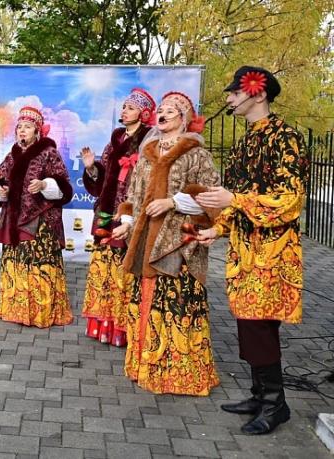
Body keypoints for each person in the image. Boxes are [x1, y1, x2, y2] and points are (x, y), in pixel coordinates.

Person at [195, 66, 309, 434]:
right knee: (248, 321)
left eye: (234, 92)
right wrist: (218, 227)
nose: (228, 97)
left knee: (260, 324)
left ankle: (276, 404)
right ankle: (261, 394)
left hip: (273, 252)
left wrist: (235, 199)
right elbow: (235, 199)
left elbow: (290, 200)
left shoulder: (285, 137)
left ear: (257, 93)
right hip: (245, 250)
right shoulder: (245, 141)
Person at [113, 91, 220, 396]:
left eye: (170, 111)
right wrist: (127, 223)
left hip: (178, 241)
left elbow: (209, 196)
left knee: (176, 303)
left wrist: (172, 202)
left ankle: (177, 373)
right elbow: (134, 194)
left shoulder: (196, 153)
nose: (162, 115)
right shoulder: (148, 153)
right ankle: (145, 364)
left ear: (184, 119)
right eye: (160, 110)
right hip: (147, 238)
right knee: (147, 299)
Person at [80, 88, 155, 346]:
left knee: (124, 270)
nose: (124, 111)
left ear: (144, 114)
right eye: (123, 107)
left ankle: (124, 327)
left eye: (130, 107)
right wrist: (92, 167)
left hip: (129, 213)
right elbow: (103, 179)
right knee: (103, 269)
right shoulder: (114, 140)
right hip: (106, 211)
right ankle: (102, 323)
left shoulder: (149, 141)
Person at [0, 106, 73, 328]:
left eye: (27, 127)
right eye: (19, 127)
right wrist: (1, 191)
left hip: (41, 221)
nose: (22, 131)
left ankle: (40, 311)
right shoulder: (12, 154)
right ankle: (16, 309)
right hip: (14, 219)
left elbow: (64, 187)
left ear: (37, 131)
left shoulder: (49, 153)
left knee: (38, 264)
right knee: (16, 262)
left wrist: (45, 184)